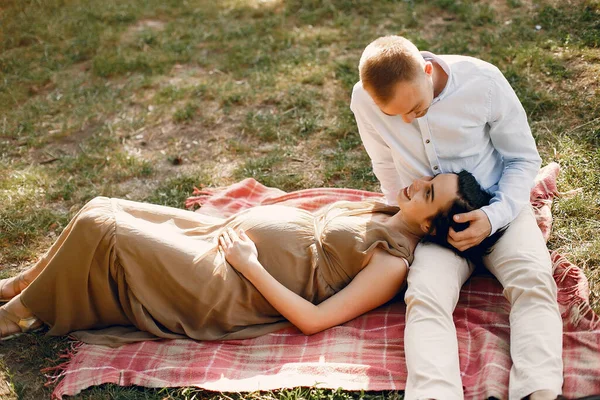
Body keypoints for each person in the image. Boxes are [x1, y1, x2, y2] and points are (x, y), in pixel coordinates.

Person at [0, 171, 495, 345]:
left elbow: (314, 321)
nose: (417, 183)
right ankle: (21, 285)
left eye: (428, 192)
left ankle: (17, 317)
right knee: (101, 207)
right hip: (219, 238)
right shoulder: (390, 208)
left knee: (100, 230)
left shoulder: (392, 266)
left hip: (229, 282)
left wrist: (248, 264)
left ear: (430, 225)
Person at [350, 35, 562, 400]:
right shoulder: (363, 100)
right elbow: (384, 163)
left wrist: (493, 216)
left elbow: (523, 159)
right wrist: (403, 219)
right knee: (424, 296)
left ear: (428, 71)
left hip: (498, 208)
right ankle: (433, 394)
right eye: (394, 114)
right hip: (431, 226)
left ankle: (537, 390)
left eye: (415, 107)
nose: (405, 119)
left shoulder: (485, 82)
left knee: (534, 282)